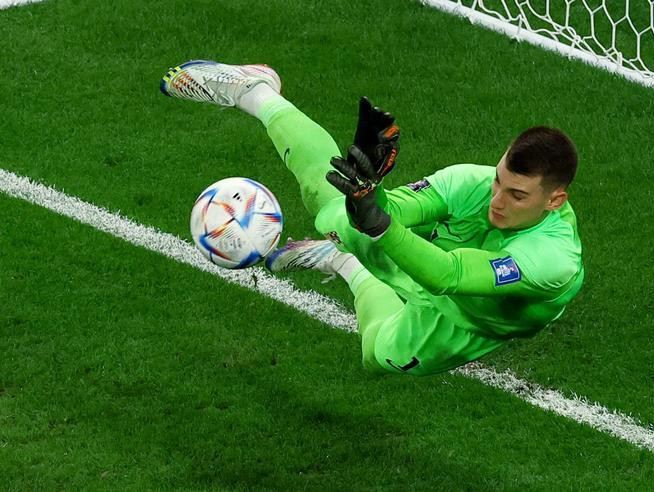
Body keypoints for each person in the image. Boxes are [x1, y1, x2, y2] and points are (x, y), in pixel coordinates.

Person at [161, 60, 584, 376]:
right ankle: (255, 92)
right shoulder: (469, 182)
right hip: (441, 258)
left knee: (378, 354)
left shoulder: (551, 260)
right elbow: (394, 211)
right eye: (498, 181)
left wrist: (378, 223)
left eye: (516, 195)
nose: (497, 200)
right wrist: (371, 191)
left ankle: (345, 263)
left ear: (554, 200)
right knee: (336, 208)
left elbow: (448, 276)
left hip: (470, 318)